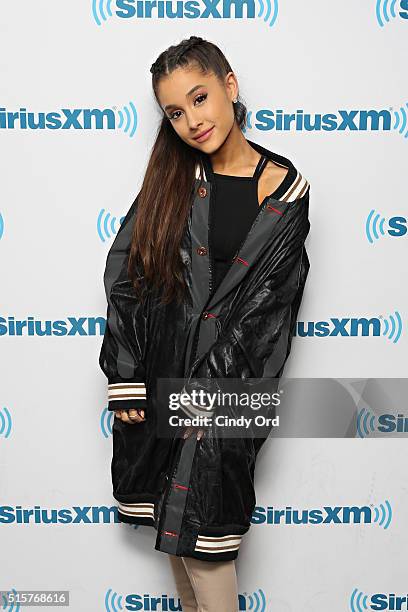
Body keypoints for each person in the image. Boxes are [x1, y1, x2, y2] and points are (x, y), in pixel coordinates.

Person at [99, 35, 311, 612]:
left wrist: (206, 397)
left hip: (235, 390)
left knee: (208, 543)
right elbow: (127, 274)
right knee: (177, 536)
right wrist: (126, 373)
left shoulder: (285, 188)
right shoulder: (173, 180)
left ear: (230, 86)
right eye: (174, 111)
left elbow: (271, 310)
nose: (191, 120)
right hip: (165, 379)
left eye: (199, 98)